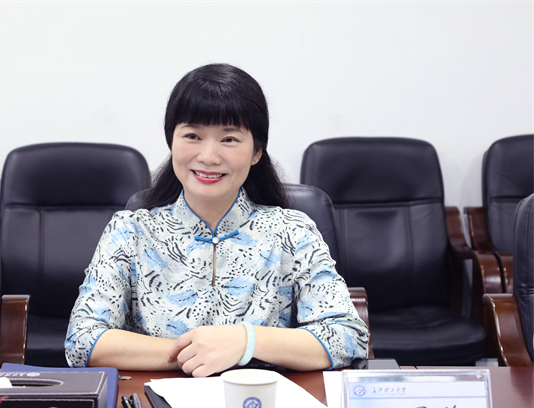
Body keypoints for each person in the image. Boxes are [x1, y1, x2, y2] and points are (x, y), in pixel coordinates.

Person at [65, 63, 369, 376]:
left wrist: (246, 342)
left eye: (229, 139)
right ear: (172, 142)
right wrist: (200, 352)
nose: (208, 156)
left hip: (263, 402)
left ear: (257, 152)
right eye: (192, 135)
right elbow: (82, 341)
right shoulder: (130, 232)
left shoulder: (293, 232)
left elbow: (348, 336)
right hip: (152, 403)